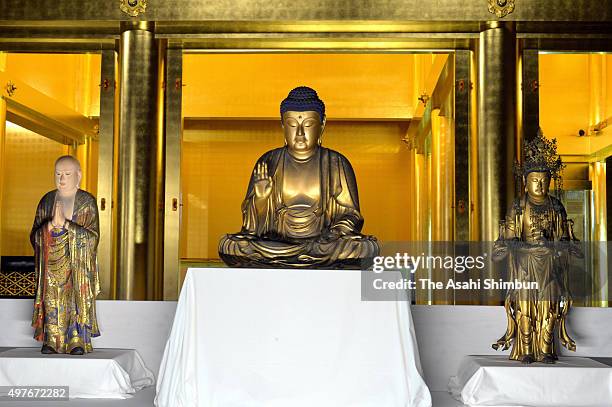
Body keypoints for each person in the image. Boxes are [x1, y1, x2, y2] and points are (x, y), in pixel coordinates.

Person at [219, 86, 379, 268]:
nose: (300, 133)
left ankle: (301, 257)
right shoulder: (269, 161)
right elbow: (252, 229)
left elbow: (351, 215)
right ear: (282, 125)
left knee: (365, 248)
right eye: (292, 125)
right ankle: (303, 258)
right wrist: (261, 201)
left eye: (308, 124)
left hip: (323, 245)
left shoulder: (336, 163)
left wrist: (333, 235)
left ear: (322, 124)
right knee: (232, 246)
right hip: (276, 244)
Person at [492, 130, 581, 363]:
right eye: (534, 180)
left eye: (543, 180)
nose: (540, 185)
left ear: (550, 181)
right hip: (525, 266)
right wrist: (526, 246)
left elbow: (566, 239)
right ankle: (527, 348)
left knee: (549, 307)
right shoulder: (518, 207)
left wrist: (553, 246)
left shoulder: (556, 206)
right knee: (525, 308)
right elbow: (507, 240)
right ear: (525, 181)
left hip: (550, 266)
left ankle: (545, 349)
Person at [30, 155, 100, 354]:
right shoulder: (47, 200)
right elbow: (34, 235)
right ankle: (52, 339)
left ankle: (74, 338)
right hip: (51, 262)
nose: (62, 179)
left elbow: (93, 238)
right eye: (58, 174)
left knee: (73, 298)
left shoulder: (86, 202)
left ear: (78, 175)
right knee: (51, 298)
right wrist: (50, 226)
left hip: (75, 263)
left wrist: (67, 225)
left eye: (67, 174)